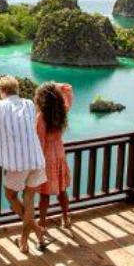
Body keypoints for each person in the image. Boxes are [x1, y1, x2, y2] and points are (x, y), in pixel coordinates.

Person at [0, 76, 49, 253]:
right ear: (17, 89)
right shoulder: (29, 104)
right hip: (35, 158)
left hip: (18, 162)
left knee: (11, 195)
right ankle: (27, 238)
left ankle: (33, 232)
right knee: (29, 201)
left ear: (2, 91)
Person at [36, 82, 75, 231]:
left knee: (44, 194)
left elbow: (40, 141)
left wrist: (36, 162)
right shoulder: (62, 111)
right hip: (59, 153)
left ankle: (42, 223)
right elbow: (68, 89)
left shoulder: (42, 117)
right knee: (62, 189)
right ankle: (66, 218)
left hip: (47, 157)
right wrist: (55, 87)